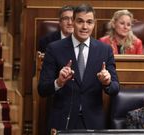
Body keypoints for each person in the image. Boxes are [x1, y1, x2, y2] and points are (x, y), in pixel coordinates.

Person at [38, 3, 120, 132]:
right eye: (80, 21)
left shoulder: (104, 50)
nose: (85, 27)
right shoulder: (54, 49)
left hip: (93, 122)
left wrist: (107, 82)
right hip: (63, 121)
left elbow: (115, 89)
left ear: (94, 24)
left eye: (89, 22)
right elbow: (42, 89)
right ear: (73, 22)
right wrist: (58, 82)